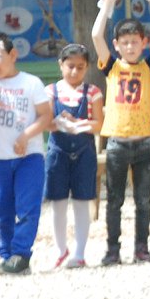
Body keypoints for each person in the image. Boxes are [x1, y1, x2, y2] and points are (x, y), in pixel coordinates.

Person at [91, 0, 150, 265]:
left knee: (143, 201)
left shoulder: (149, 66)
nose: (131, 46)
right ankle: (112, 249)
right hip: (117, 141)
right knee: (115, 200)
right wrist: (107, 5)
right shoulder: (112, 67)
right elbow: (96, 35)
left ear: (143, 43)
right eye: (125, 42)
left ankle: (141, 248)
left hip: (144, 141)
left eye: (136, 41)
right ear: (117, 45)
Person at [0, 35, 53, 274]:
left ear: (13, 55)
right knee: (2, 210)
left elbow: (46, 115)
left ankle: (21, 254)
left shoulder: (31, 82)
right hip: (0, 157)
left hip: (30, 156)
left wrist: (26, 135)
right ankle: (6, 256)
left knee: (27, 206)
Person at [45, 43, 103, 269]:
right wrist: (58, 123)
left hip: (84, 151)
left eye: (80, 67)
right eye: (70, 66)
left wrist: (79, 124)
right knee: (57, 202)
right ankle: (61, 249)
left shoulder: (93, 92)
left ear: (87, 67)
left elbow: (99, 123)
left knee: (81, 202)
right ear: (61, 65)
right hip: (57, 151)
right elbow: (46, 123)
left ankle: (79, 252)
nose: (74, 72)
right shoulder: (51, 91)